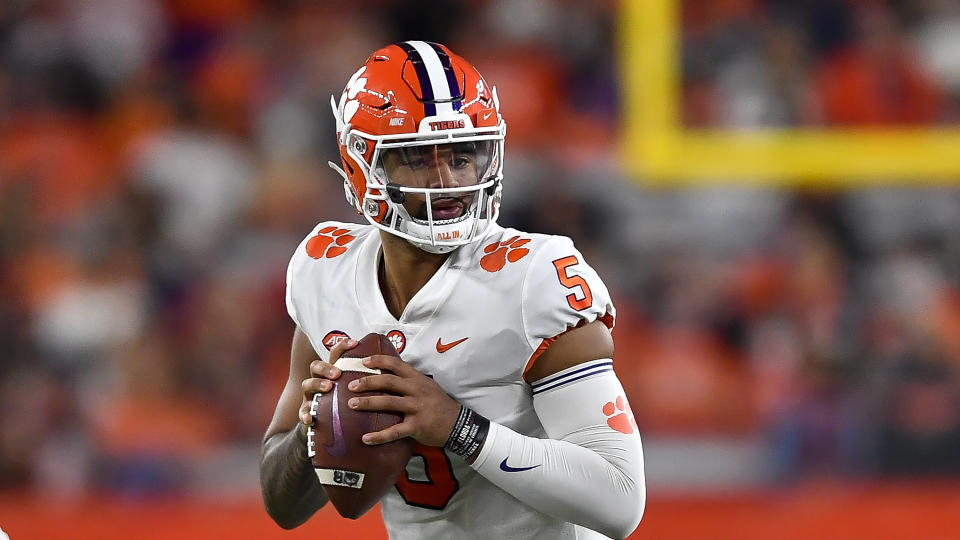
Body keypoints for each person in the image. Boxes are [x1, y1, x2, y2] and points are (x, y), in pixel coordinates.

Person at [259, 41, 645, 540]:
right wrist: (317, 433)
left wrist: (458, 427)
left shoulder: (534, 276)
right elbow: (282, 506)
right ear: (363, 165)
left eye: (464, 157)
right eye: (418, 159)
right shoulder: (325, 270)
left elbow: (620, 499)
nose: (446, 181)